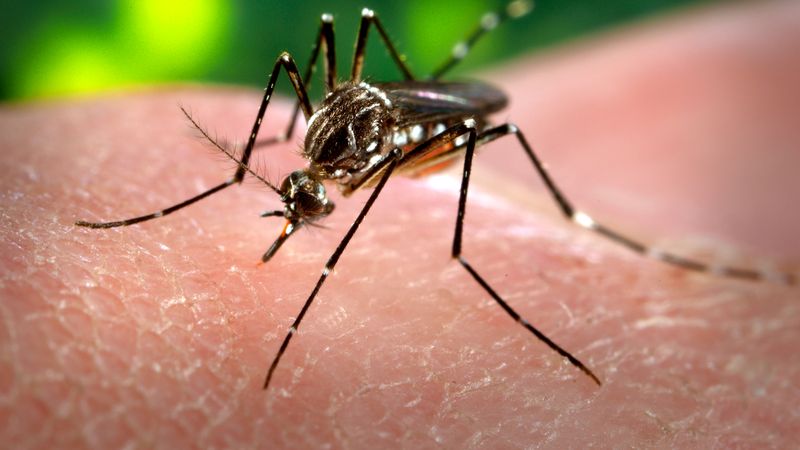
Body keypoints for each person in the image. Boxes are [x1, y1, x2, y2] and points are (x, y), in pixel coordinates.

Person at [0, 1, 797, 447]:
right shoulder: (317, 144)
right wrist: (235, 169)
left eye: (301, 199)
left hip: (424, 130)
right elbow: (314, 120)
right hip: (379, 117)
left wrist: (323, 265)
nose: (301, 203)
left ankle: (579, 226)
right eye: (299, 196)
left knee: (494, 130)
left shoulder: (351, 160)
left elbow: (375, 170)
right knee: (306, 54)